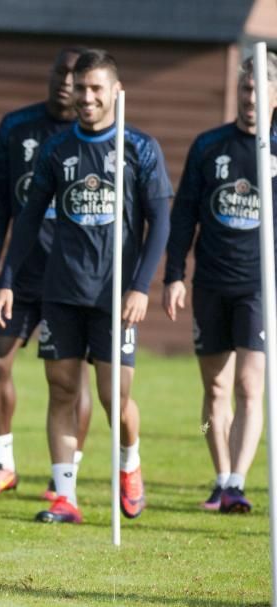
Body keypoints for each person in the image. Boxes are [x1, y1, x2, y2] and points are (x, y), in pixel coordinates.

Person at [0, 49, 172, 523]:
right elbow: (28, 221)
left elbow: (162, 222)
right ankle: (65, 496)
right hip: (62, 291)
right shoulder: (56, 149)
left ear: (116, 92)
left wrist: (141, 286)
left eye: (97, 88)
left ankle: (130, 465)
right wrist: (7, 279)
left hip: (116, 296)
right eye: (81, 88)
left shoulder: (140, 148)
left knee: (116, 398)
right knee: (63, 390)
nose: (86, 97)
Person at [0, 47, 93, 498]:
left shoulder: (94, 137)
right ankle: (2, 463)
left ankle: (66, 473)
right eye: (60, 73)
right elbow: (1, 199)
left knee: (69, 378)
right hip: (20, 273)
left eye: (76, 78)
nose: (66, 84)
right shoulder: (16, 126)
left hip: (73, 278)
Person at [162, 53, 277, 514]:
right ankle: (220, 474)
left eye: (261, 91)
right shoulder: (210, 145)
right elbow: (184, 213)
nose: (252, 100)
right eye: (247, 90)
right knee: (214, 391)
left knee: (251, 386)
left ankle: (236, 483)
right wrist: (174, 275)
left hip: (259, 287)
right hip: (210, 282)